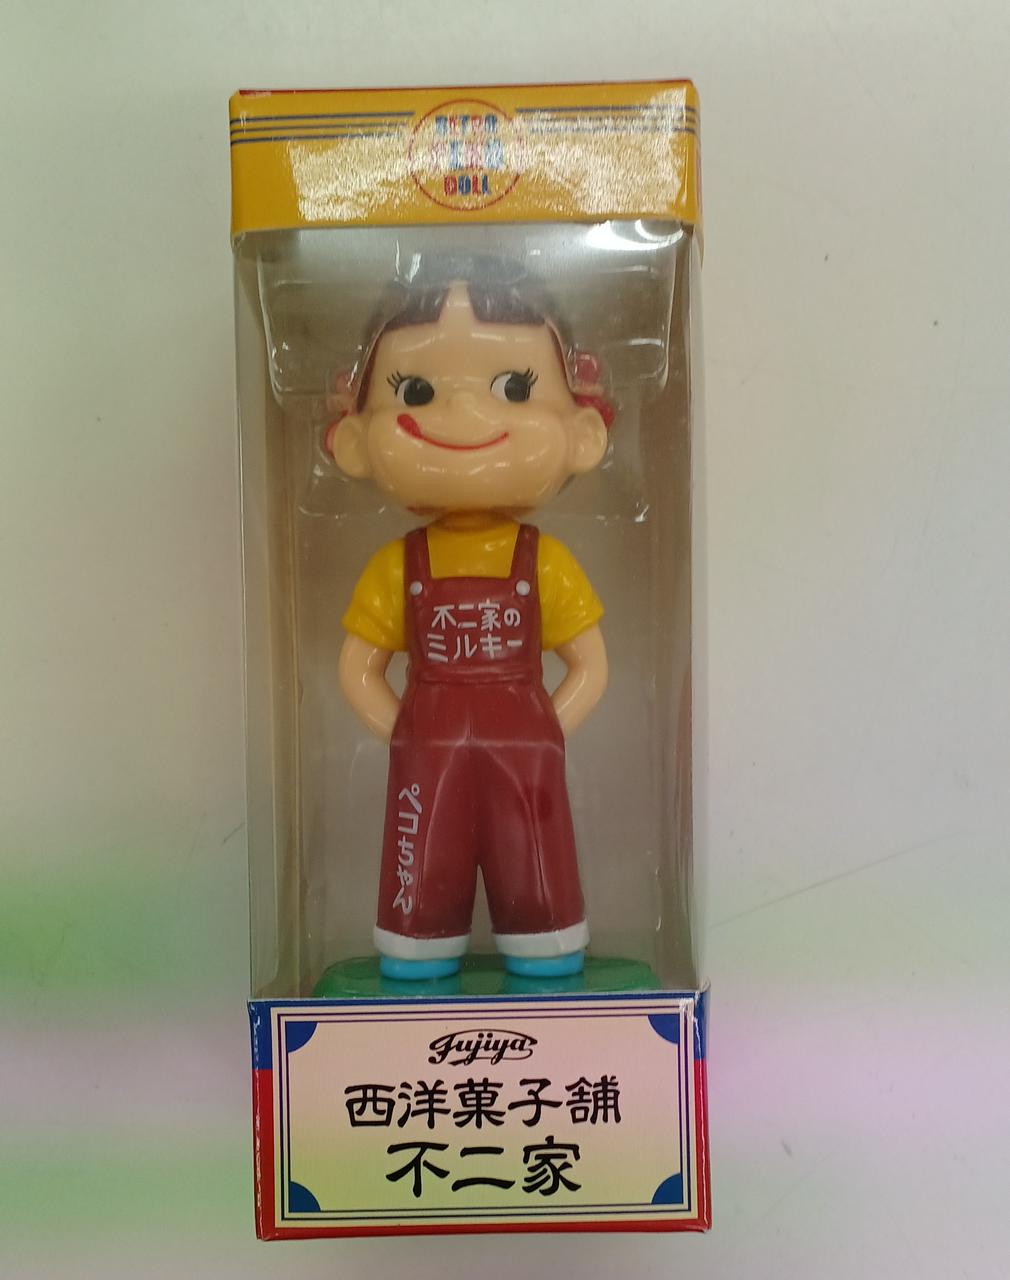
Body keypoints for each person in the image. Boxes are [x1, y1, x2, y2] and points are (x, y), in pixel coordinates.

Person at [328, 280, 612, 979]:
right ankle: (420, 947)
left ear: (583, 434)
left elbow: (592, 666)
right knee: (420, 898)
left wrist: (540, 731)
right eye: (417, 392)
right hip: (429, 758)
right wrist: (410, 734)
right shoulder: (399, 566)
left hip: (525, 757)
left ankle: (544, 947)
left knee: (540, 892)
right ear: (353, 439)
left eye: (515, 388)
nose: (463, 412)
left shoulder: (544, 561)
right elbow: (358, 669)